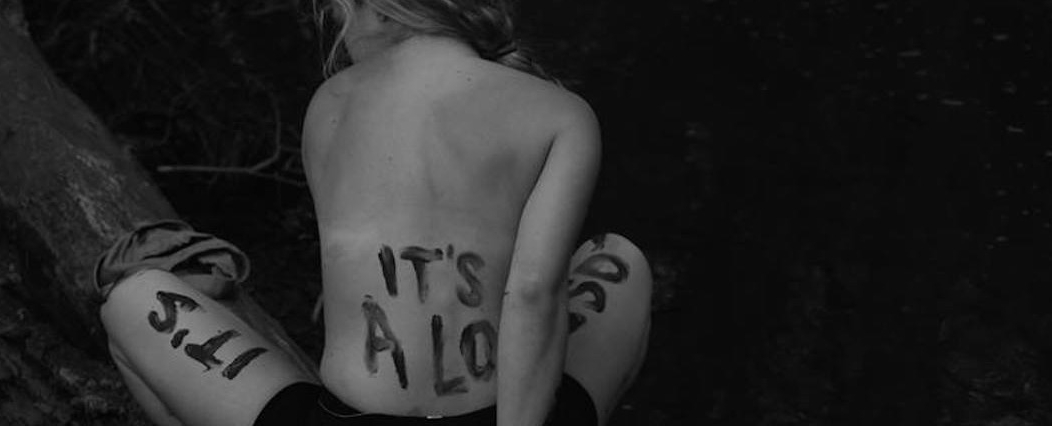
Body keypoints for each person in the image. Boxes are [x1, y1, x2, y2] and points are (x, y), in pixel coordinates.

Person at [94, 1, 651, 425]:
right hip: (505, 412)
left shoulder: (330, 106)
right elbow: (533, 293)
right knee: (618, 260)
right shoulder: (560, 113)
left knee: (130, 301)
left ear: (376, 9)